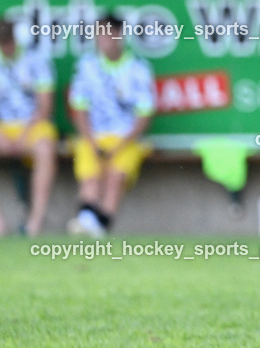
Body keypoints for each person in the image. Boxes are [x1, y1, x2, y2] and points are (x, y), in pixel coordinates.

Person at [67, 15, 155, 236]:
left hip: (126, 138)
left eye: (107, 34)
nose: (102, 40)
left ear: (119, 35)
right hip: (92, 136)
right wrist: (91, 140)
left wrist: (120, 145)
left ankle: (93, 226)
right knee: (90, 178)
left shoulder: (138, 68)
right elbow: (79, 108)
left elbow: (144, 115)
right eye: (99, 35)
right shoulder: (87, 66)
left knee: (115, 177)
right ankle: (92, 226)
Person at [0, 19, 57, 236]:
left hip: (34, 125)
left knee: (45, 148)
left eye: (8, 41)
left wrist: (25, 134)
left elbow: (45, 105)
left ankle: (35, 222)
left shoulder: (35, 59)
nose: (7, 47)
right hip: (3, 127)